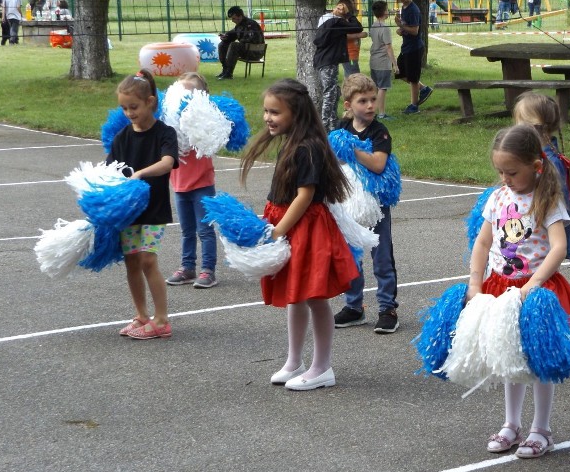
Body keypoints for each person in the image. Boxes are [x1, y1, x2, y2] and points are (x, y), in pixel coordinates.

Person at [468, 124, 570, 457]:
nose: (505, 178)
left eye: (512, 172)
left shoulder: (547, 199)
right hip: (499, 286)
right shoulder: (497, 198)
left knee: (538, 359)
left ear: (536, 167)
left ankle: (541, 429)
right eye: (500, 172)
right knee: (509, 356)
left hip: (535, 292)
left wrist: (534, 284)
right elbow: (482, 241)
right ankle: (511, 424)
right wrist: (475, 282)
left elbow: (559, 247)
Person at [240, 79, 359, 390]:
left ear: (297, 113)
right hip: (293, 225)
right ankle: (294, 361)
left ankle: (322, 367)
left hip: (307, 228)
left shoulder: (308, 148)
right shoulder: (293, 142)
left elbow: (305, 196)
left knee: (314, 297)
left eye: (275, 112)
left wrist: (278, 230)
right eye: (266, 111)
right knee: (296, 296)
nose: (268, 117)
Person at [108, 69, 179, 340]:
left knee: (148, 259)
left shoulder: (165, 133)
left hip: (155, 209)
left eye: (134, 106)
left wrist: (140, 173)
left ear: (150, 101)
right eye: (124, 108)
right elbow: (110, 169)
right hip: (129, 212)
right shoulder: (122, 138)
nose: (129, 112)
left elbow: (167, 163)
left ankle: (162, 319)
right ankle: (141, 314)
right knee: (132, 262)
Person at [333, 74, 400, 333]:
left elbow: (378, 164)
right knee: (352, 254)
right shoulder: (343, 129)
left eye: (373, 99)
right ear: (349, 105)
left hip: (375, 203)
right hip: (349, 201)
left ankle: (387, 308)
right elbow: (337, 161)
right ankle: (354, 306)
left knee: (382, 257)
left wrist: (351, 151)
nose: (371, 105)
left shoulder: (379, 132)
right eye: (363, 101)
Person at [165, 72, 219, 289]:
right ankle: (187, 267)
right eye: (181, 91)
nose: (184, 97)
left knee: (205, 230)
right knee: (186, 230)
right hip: (179, 185)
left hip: (202, 185)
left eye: (190, 92)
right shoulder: (170, 123)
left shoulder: (204, 123)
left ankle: (208, 270)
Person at [512, 91, 570, 260]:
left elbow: (555, 204)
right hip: (533, 233)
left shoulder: (549, 162)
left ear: (530, 126)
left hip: (543, 236)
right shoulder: (539, 155)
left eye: (518, 123)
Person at [313, 0, 364, 131]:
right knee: (330, 92)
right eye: (340, 8)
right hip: (327, 61)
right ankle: (324, 126)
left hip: (326, 60)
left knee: (334, 91)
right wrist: (349, 14)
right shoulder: (336, 21)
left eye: (342, 8)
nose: (340, 9)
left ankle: (332, 122)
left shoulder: (325, 19)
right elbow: (357, 27)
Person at [394, 0, 433, 114]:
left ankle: (414, 106)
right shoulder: (403, 8)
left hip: (415, 48)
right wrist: (400, 29)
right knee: (399, 72)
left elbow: (415, 30)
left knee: (413, 78)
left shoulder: (413, 9)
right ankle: (424, 89)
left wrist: (401, 26)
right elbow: (407, 27)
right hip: (406, 47)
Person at [368, 0, 398, 119]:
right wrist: (395, 64)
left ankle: (373, 112)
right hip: (382, 62)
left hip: (373, 61)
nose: (388, 11)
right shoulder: (385, 28)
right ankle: (381, 113)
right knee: (382, 87)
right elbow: (388, 47)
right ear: (383, 12)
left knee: (375, 87)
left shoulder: (373, 25)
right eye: (387, 9)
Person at [217, 6, 264, 80]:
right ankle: (225, 70)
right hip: (246, 50)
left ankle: (229, 73)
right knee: (222, 45)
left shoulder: (251, 24)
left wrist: (240, 41)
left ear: (240, 16)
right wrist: (225, 37)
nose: (232, 20)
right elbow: (231, 35)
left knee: (234, 45)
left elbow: (253, 40)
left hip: (255, 52)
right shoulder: (238, 26)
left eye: (233, 18)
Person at [340, 0, 367, 78]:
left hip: (352, 54)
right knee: (355, 79)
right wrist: (359, 35)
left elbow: (358, 27)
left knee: (349, 78)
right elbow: (341, 35)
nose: (356, 4)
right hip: (349, 54)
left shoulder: (350, 17)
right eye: (354, 2)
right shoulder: (343, 17)